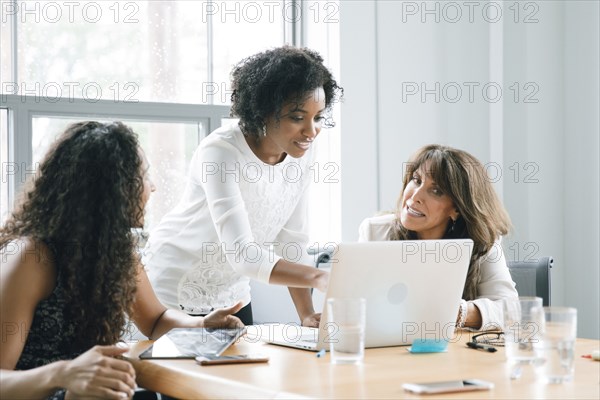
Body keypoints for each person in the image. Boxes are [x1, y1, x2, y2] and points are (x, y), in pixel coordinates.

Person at [0, 122, 243, 400]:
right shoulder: (30, 257)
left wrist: (201, 325)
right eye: (143, 176)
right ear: (112, 188)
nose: (152, 187)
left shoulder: (114, 250)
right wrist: (64, 373)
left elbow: (156, 320)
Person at [143, 46, 343, 326]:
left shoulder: (302, 153)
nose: (311, 131)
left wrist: (307, 313)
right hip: (174, 287)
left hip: (234, 294)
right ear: (263, 112)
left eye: (318, 117)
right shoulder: (221, 151)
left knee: (243, 369)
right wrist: (319, 276)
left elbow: (291, 242)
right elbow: (242, 254)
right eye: (298, 118)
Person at [358, 144, 518, 330]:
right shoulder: (375, 232)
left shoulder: (481, 241)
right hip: (387, 351)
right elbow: (357, 304)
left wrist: (456, 312)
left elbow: (510, 310)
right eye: (416, 180)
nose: (415, 196)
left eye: (436, 191)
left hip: (455, 354)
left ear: (456, 209)